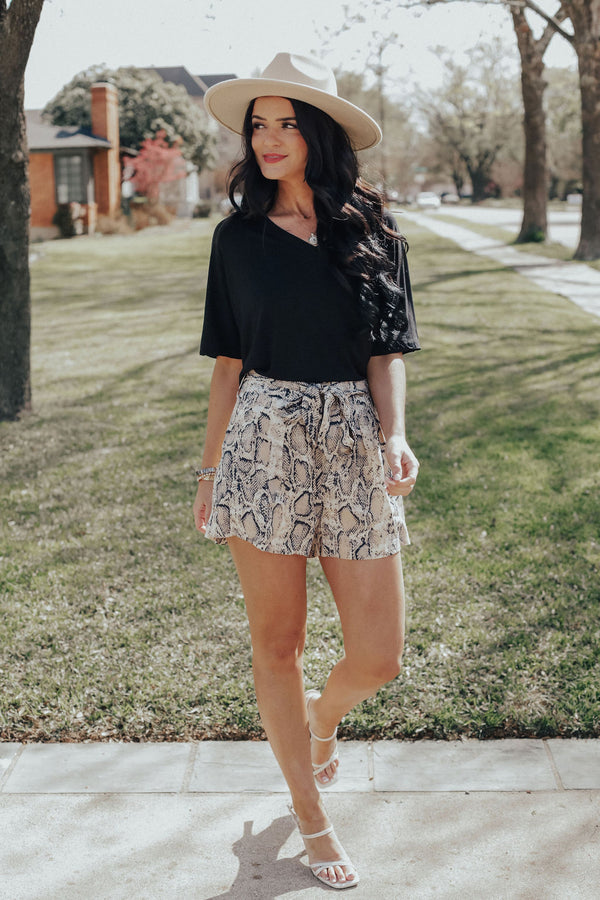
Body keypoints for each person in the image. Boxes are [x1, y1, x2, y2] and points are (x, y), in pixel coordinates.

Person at [193, 52, 420, 890]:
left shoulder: (375, 232)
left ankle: (324, 718)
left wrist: (396, 435)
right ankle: (311, 815)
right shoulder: (236, 241)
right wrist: (209, 474)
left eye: (287, 124)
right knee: (278, 643)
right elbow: (228, 367)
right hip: (263, 443)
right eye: (259, 124)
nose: (269, 139)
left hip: (355, 440)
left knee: (379, 656)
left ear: (319, 135)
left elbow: (387, 354)